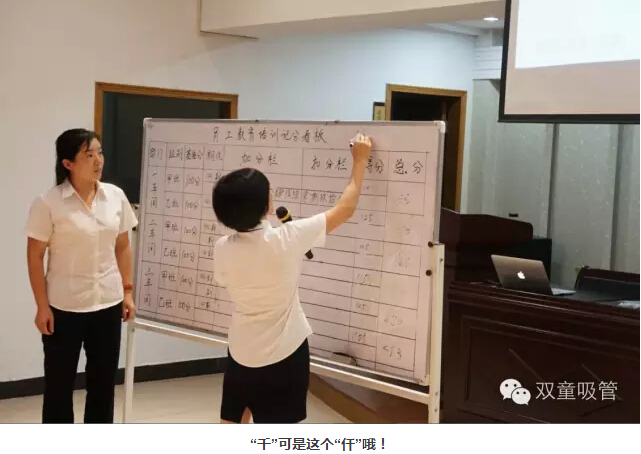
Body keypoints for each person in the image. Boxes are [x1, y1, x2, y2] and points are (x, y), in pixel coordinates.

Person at [212, 133, 372, 423]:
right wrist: (360, 161)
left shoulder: (222, 248)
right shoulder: (288, 238)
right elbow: (345, 209)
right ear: (266, 207)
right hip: (285, 355)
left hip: (241, 351)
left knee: (232, 422)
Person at [25, 128, 138, 423]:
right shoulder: (48, 203)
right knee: (59, 386)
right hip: (64, 308)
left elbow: (123, 246)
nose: (98, 160)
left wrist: (127, 291)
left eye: (100, 152)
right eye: (89, 155)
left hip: (108, 304)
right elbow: (35, 256)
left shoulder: (115, 196)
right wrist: (42, 306)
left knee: (103, 385)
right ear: (68, 164)